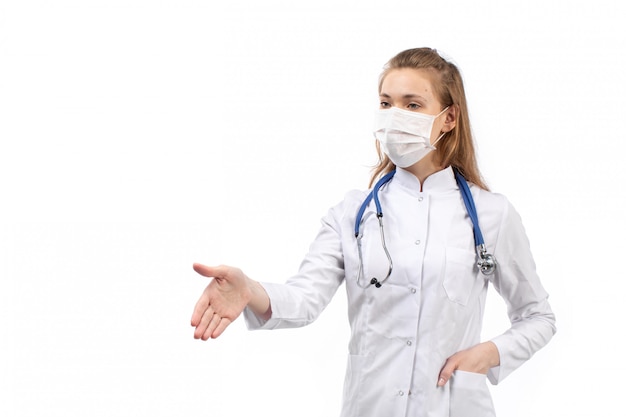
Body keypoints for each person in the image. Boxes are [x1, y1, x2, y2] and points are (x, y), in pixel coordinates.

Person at [190, 47, 556, 417]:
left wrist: (488, 355)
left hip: (450, 405)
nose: (395, 117)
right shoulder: (352, 213)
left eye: (412, 105)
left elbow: (538, 316)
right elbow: (303, 299)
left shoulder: (492, 215)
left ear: (449, 118)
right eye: (386, 104)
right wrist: (249, 290)